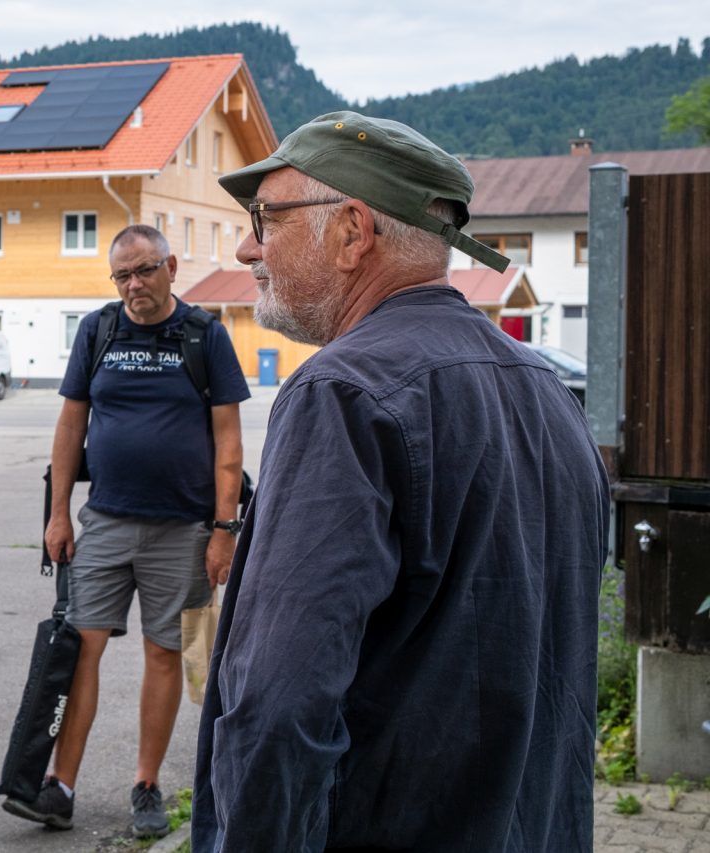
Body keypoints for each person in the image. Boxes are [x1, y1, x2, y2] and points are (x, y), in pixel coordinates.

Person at [193, 111, 611, 852]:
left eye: (267, 216)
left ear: (352, 232)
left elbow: (279, 703)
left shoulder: (343, 392)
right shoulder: (547, 390)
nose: (247, 245)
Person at [3, 224, 250, 838]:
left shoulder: (205, 335)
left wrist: (225, 530)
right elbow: (69, 427)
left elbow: (228, 439)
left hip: (185, 532)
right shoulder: (99, 329)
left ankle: (146, 783)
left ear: (169, 266)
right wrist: (58, 514)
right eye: (122, 275)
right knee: (79, 650)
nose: (134, 285)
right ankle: (60, 786)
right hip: (106, 522)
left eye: (143, 271)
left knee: (169, 654)